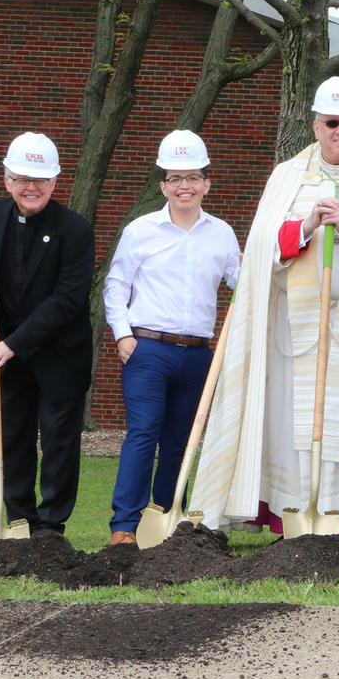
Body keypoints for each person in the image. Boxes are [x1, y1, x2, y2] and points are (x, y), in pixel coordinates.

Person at [190, 76, 339, 536]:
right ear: (315, 125)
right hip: (294, 336)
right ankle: (289, 516)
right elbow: (259, 253)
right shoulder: (287, 177)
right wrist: (306, 226)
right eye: (332, 122)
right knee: (289, 428)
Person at [102, 130, 241, 545]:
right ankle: (124, 527)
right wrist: (123, 337)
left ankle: (162, 520)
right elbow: (115, 286)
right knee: (143, 434)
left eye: (193, 177)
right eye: (176, 178)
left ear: (206, 184)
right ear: (163, 185)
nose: (185, 186)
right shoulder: (140, 230)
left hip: (198, 355)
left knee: (180, 441)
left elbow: (243, 286)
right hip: (147, 349)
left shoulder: (222, 234)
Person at [0, 132, 95, 537]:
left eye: (40, 180)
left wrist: (12, 345)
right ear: (7, 180)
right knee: (14, 435)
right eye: (22, 179)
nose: (31, 187)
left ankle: (50, 527)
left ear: (54, 183)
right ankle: (18, 519)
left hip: (60, 353)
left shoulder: (75, 229)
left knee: (58, 441)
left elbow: (67, 300)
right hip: (9, 352)